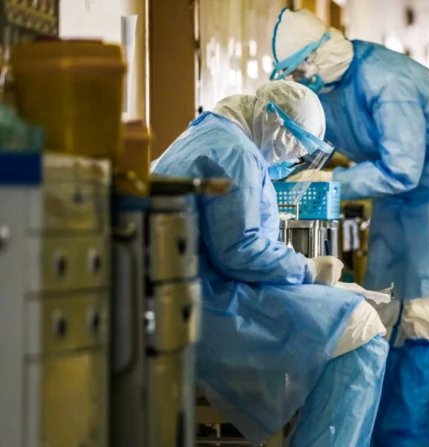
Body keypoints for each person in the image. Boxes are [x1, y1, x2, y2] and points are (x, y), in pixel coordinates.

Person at [270, 9, 429, 446]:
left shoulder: (385, 82)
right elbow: (327, 140)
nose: (300, 78)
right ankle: (376, 433)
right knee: (383, 312)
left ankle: (411, 438)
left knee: (425, 323)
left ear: (319, 54)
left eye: (300, 68)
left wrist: (331, 181)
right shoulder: (335, 85)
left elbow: (402, 170)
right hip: (399, 202)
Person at [149, 80, 389, 447]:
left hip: (192, 297)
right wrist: (308, 269)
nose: (293, 157)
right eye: (297, 144)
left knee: (352, 321)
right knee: (361, 330)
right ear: (274, 120)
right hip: (215, 307)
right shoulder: (236, 152)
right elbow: (240, 251)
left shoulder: (205, 133)